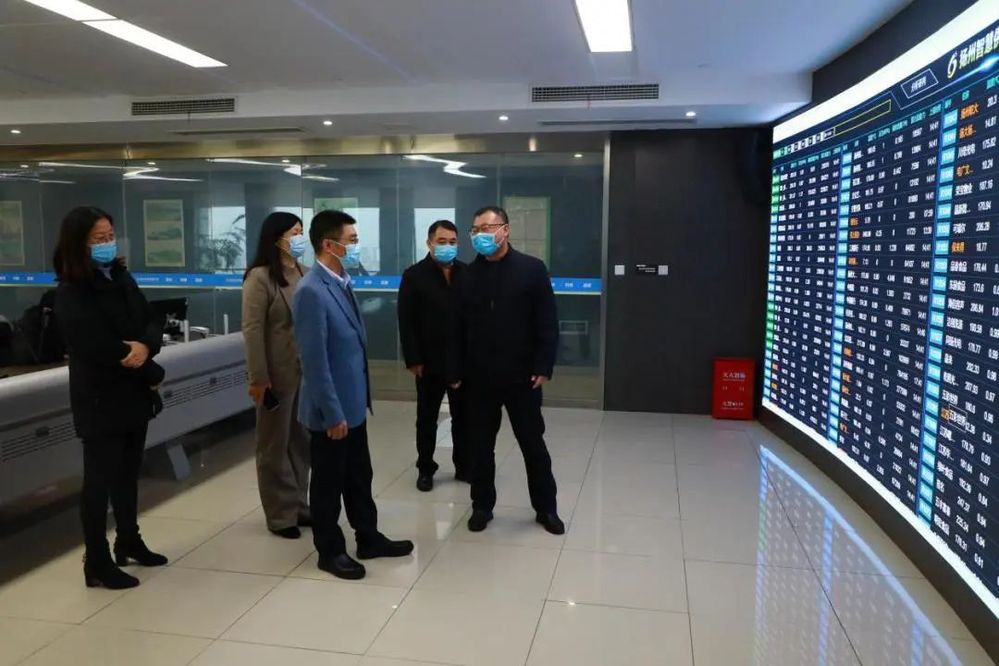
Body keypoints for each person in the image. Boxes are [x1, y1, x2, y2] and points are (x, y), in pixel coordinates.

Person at [293, 209, 414, 580]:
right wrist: (333, 413)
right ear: (329, 245)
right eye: (352, 240)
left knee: (360, 476)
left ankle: (368, 537)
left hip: (353, 404)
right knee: (328, 483)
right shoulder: (311, 291)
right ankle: (329, 550)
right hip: (332, 412)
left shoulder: (342, 281)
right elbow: (314, 362)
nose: (357, 246)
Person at [53, 206, 167, 590]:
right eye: (98, 239)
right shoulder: (71, 291)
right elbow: (92, 342)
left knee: (128, 474)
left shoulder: (121, 276)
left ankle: (129, 540)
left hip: (135, 392)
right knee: (98, 482)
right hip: (101, 398)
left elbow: (150, 319)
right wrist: (131, 354)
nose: (107, 244)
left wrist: (145, 346)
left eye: (110, 236)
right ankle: (96, 559)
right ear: (78, 244)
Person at [450, 206, 564, 535]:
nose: (481, 235)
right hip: (479, 378)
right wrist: (454, 370)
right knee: (480, 447)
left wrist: (543, 365)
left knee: (533, 445)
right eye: (476, 230)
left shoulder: (531, 269)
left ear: (506, 229)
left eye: (488, 228)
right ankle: (481, 506)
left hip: (522, 377)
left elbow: (547, 322)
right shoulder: (467, 275)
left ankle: (546, 508)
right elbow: (456, 328)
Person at [242, 212, 311, 539]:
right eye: (294, 232)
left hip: (305, 372)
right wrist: (259, 377)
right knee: (274, 443)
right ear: (277, 237)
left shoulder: (305, 273)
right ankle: (280, 514)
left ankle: (299, 504)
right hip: (275, 374)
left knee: (301, 441)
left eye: (301, 231)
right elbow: (253, 330)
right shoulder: (260, 278)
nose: (299, 238)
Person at [397, 220, 471, 491]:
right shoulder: (414, 275)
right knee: (427, 419)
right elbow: (406, 321)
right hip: (429, 361)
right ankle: (425, 468)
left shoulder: (467, 273)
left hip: (462, 360)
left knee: (464, 417)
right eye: (441, 241)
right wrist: (413, 359)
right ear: (429, 243)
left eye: (452, 242)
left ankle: (464, 465)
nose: (447, 246)